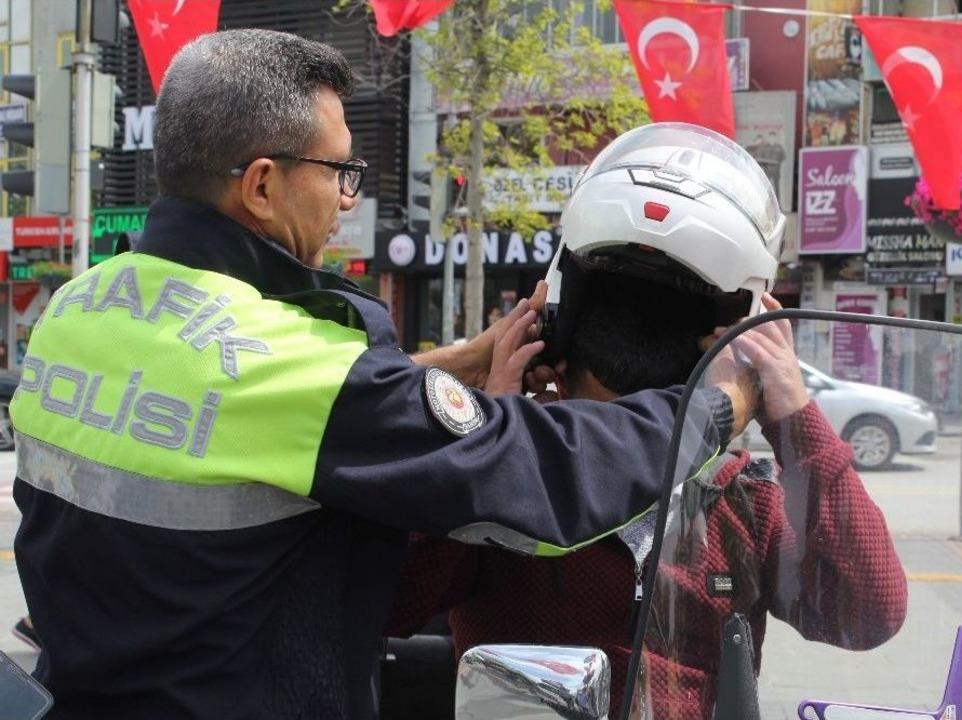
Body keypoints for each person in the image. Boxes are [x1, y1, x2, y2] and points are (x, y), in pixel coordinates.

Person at [9, 32, 752, 720]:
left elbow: (255, 413)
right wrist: (723, 400)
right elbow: (544, 480)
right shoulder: (286, 360)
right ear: (262, 186)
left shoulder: (83, 305)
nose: (346, 198)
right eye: (339, 170)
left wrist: (462, 361)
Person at [386, 123, 908, 718]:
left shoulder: (741, 498)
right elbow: (391, 601)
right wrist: (485, 438)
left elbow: (868, 614)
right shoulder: (509, 478)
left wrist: (796, 416)